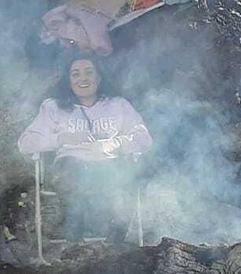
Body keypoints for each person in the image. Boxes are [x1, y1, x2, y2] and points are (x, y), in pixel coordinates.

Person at [17, 57, 153, 242]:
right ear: (68, 80)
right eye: (75, 74)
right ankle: (74, 245)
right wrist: (62, 138)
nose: (83, 78)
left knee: (128, 174)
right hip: (71, 168)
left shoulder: (118, 105)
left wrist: (113, 144)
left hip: (111, 167)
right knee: (75, 172)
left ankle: (114, 243)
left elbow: (144, 139)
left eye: (89, 72)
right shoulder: (54, 107)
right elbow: (25, 143)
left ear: (99, 78)